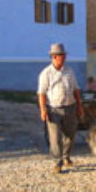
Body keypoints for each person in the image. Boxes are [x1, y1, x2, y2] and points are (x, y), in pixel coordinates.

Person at [38, 43, 83, 174]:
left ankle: (66, 157)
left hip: (70, 107)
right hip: (54, 109)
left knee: (70, 135)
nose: (63, 58)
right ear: (54, 57)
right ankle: (57, 162)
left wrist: (80, 106)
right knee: (55, 137)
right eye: (61, 56)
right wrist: (43, 109)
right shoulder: (46, 73)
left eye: (64, 56)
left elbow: (76, 89)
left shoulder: (69, 71)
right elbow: (41, 92)